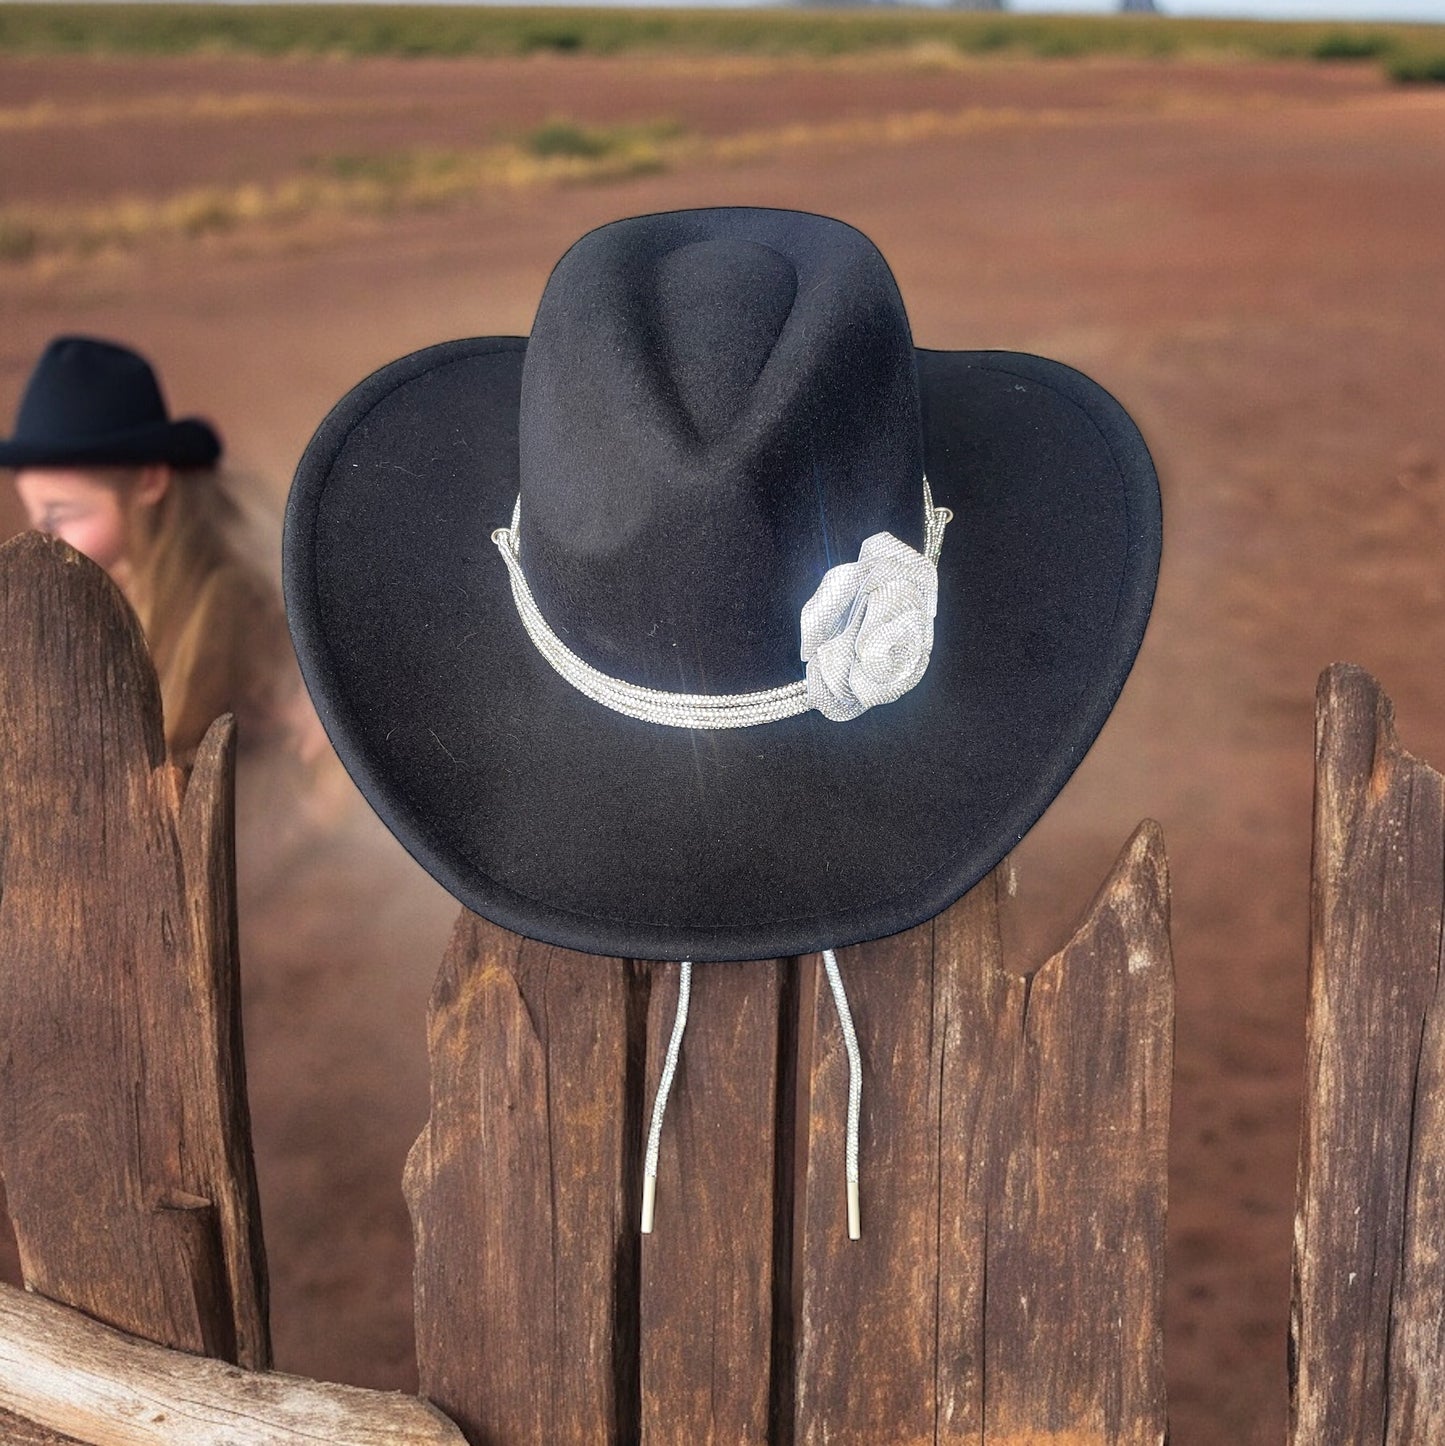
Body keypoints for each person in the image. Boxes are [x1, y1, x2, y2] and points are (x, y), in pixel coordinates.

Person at [0, 334, 297, 770]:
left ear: (150, 483)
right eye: (36, 516)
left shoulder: (222, 608)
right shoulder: (84, 603)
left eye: (59, 513)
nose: (42, 537)